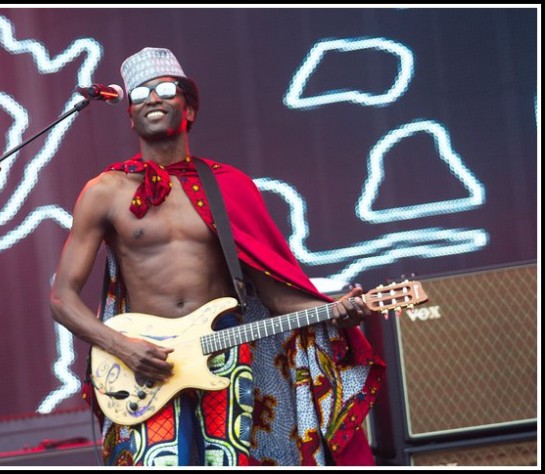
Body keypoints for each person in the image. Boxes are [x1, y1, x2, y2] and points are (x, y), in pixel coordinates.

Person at [50, 47, 385, 466]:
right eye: (140, 94)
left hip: (224, 353)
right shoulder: (104, 191)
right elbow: (62, 297)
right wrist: (122, 346)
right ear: (130, 115)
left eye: (166, 89)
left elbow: (276, 294)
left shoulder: (231, 186)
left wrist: (331, 310)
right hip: (144, 365)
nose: (152, 98)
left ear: (188, 109)